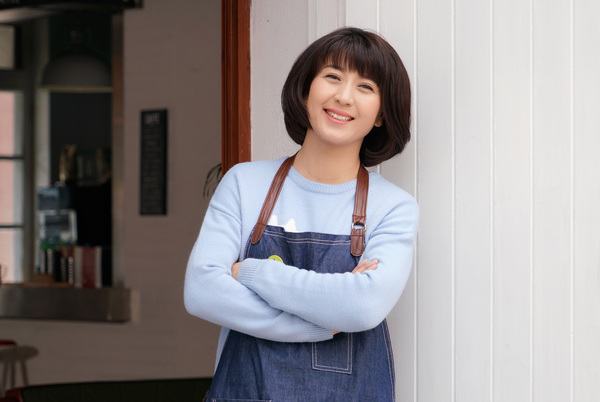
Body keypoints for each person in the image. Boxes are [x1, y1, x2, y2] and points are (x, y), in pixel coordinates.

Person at [184, 26, 418, 402]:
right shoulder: (245, 183)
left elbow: (362, 306)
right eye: (332, 77)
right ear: (306, 90)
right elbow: (202, 291)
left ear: (380, 115)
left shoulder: (392, 207)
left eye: (365, 87)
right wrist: (320, 325)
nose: (343, 97)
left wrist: (251, 271)